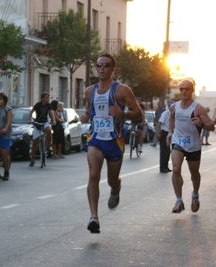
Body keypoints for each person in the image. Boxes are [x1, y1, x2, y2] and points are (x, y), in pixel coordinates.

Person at [81, 53, 142, 233]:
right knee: (93, 174)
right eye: (99, 65)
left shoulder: (122, 90)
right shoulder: (89, 91)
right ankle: (94, 217)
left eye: (106, 65)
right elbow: (88, 110)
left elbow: (138, 113)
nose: (101, 68)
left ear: (112, 69)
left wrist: (122, 114)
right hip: (95, 139)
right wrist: (85, 116)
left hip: (115, 141)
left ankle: (116, 188)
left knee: (111, 180)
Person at [166, 79, 214, 213]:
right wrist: (170, 132)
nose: (183, 91)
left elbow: (211, 126)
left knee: (194, 173)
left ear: (192, 90)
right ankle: (179, 201)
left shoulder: (198, 108)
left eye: (187, 89)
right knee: (176, 169)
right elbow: (171, 119)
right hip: (178, 141)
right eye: (181, 89)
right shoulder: (174, 107)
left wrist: (201, 124)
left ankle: (195, 195)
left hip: (193, 144)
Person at [28, 92, 56, 167]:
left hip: (45, 122)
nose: (48, 99)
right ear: (42, 98)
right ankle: (32, 159)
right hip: (37, 123)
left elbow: (51, 113)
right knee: (34, 142)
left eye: (48, 97)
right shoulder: (38, 104)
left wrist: (53, 120)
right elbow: (31, 112)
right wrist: (29, 120)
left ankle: (48, 145)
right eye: (46, 97)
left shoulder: (48, 105)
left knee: (49, 130)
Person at [157, 106, 172, 173]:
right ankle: (162, 167)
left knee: (168, 151)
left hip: (169, 133)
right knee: (163, 151)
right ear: (169, 107)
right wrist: (159, 133)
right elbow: (159, 123)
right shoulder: (165, 113)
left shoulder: (172, 113)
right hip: (164, 132)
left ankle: (166, 166)